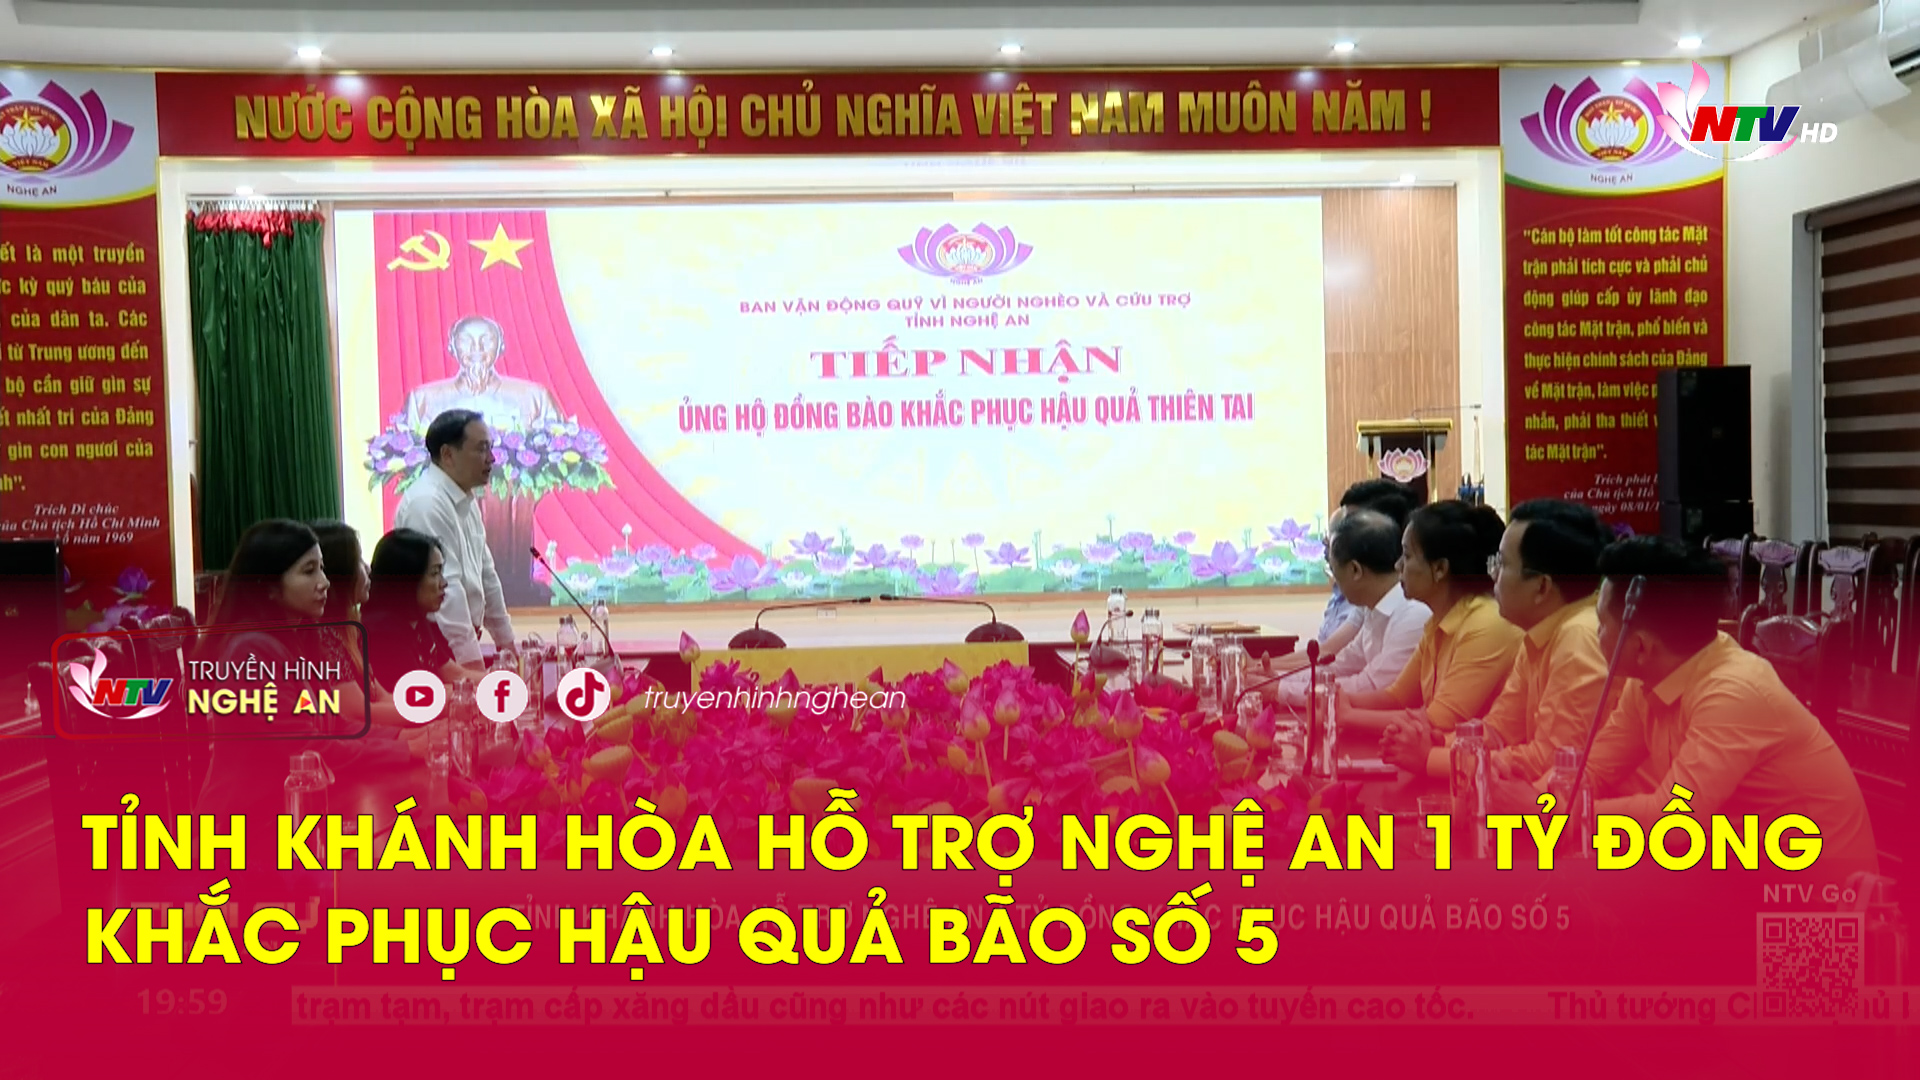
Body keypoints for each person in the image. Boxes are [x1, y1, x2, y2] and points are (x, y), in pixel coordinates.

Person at [1559, 537, 1879, 877]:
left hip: (1815, 888)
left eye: (1601, 624)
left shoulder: (1732, 693)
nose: (1596, 633)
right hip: (1741, 866)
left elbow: (1674, 822)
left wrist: (1575, 815)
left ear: (1640, 647)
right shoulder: (1649, 679)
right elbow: (1595, 768)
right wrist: (1546, 803)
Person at [1381, 499, 1611, 778]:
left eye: (1501, 563)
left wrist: (1431, 758)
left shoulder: (1579, 638)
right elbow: (1499, 730)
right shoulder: (1540, 633)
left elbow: (1550, 762)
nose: (1492, 575)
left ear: (1541, 587)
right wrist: (1438, 742)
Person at [193, 520, 341, 821]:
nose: (324, 582)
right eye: (309, 571)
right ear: (270, 587)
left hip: (283, 816)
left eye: (322, 568)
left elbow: (337, 726)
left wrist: (405, 738)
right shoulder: (251, 651)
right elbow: (305, 748)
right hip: (240, 831)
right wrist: (405, 749)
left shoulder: (295, 639)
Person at [1341, 500, 1521, 737]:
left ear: (1439, 569)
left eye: (1407, 556)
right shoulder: (1438, 621)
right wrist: (1339, 700)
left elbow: (1440, 721)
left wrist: (1347, 716)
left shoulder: (1487, 622)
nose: (1398, 565)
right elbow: (1397, 697)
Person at [1263, 509, 1429, 706]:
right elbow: (1339, 666)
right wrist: (1276, 679)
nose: (1334, 581)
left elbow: (1371, 686)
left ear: (1355, 570)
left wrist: (1278, 689)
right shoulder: (1374, 609)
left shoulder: (1413, 614)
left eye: (1333, 570)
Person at [394, 409, 517, 667]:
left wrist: (507, 645)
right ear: (448, 454)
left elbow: (487, 575)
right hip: (434, 643)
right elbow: (448, 592)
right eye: (481, 449)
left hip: (455, 641)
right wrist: (472, 665)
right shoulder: (427, 503)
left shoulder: (465, 499)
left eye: (491, 447)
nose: (492, 458)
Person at [363, 527, 478, 694]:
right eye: (434, 573)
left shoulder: (418, 621)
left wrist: (503, 681)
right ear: (406, 579)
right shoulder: (382, 633)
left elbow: (456, 674)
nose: (444, 583)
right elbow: (421, 694)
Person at [403, 315, 562, 431]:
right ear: (451, 347)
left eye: (487, 340)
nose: (477, 348)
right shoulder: (421, 400)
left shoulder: (536, 397)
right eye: (466, 340)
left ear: (501, 346)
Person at [1314, 479, 1418, 647]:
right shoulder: (1367, 600)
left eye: (1352, 524)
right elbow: (1332, 655)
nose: (1344, 532)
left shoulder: (1412, 610)